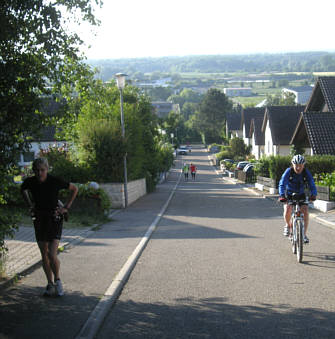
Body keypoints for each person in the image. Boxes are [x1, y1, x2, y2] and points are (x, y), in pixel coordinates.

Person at [21, 158, 78, 296]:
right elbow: (23, 189)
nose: (39, 173)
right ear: (33, 171)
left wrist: (66, 207)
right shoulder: (31, 182)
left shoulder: (55, 181)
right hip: (40, 219)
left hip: (54, 217)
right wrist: (30, 205)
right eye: (36, 170)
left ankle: (58, 280)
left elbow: (74, 188)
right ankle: (49, 284)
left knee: (52, 254)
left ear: (47, 169)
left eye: (42, 170)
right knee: (44, 254)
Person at [278, 154, 317, 244]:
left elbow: (312, 183)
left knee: (305, 211)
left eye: (300, 166)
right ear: (293, 164)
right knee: (288, 209)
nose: (298, 168)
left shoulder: (306, 172)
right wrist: (282, 195)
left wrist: (313, 194)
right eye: (296, 165)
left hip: (301, 194)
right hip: (290, 194)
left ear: (303, 165)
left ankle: (303, 235)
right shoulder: (289, 171)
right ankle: (288, 225)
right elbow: (282, 183)